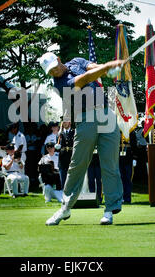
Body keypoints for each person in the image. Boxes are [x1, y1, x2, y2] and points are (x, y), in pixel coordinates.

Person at [39, 51, 124, 225]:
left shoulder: (76, 61)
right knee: (78, 164)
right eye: (50, 72)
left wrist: (108, 69)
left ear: (59, 60)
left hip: (107, 114)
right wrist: (108, 66)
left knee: (110, 163)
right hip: (85, 118)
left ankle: (109, 209)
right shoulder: (60, 83)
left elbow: (92, 67)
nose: (54, 72)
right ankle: (65, 207)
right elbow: (84, 79)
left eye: (54, 68)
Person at [57, 121, 75, 187]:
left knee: (71, 179)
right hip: (62, 159)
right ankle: (63, 195)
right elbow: (57, 146)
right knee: (63, 179)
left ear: (70, 122)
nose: (64, 123)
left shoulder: (74, 132)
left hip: (71, 158)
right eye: (63, 122)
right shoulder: (60, 133)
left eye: (66, 121)